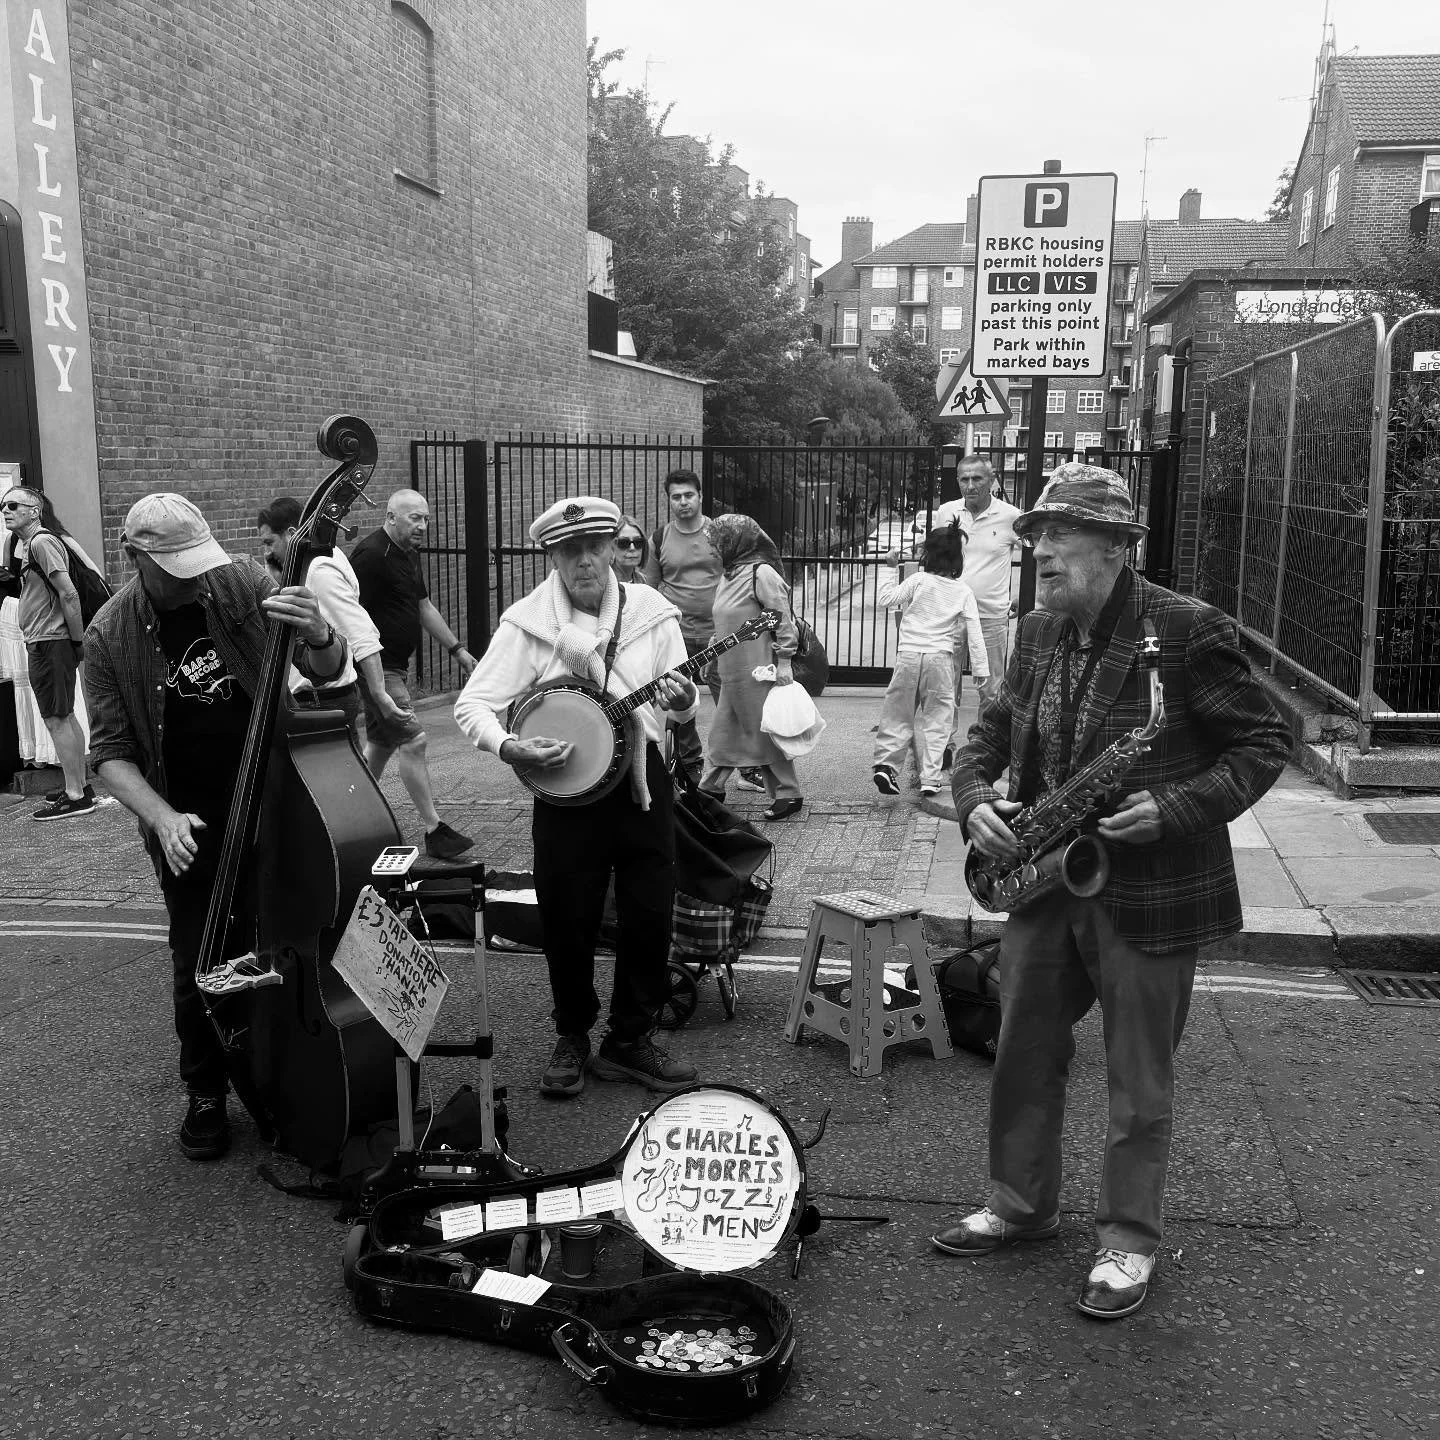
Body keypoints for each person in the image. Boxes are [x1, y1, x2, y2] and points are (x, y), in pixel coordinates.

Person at [935, 462, 1291, 1321]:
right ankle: (1021, 1207)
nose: (1041, 552)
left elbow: (1267, 738)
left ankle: (1129, 1240)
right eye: (1035, 539)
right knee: (1022, 1052)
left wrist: (1174, 808)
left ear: (1114, 546)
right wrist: (976, 799)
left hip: (1151, 886)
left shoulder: (1189, 631)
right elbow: (985, 735)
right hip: (1047, 880)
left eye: (1058, 537)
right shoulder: (1035, 633)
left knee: (1138, 1076)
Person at [83, 493, 349, 1161]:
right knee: (198, 958)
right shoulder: (109, 635)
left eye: (198, 559)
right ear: (135, 557)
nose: (196, 577)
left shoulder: (243, 583)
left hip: (278, 800)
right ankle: (206, 1092)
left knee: (297, 940)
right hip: (187, 818)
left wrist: (317, 633)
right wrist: (161, 816)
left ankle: (299, 1067)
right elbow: (109, 757)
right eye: (175, 565)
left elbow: (324, 668)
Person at [454, 495, 699, 1099]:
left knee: (649, 913)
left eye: (595, 547)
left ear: (615, 547)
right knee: (568, 918)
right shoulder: (528, 622)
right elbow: (472, 705)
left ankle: (629, 1040)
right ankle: (572, 1035)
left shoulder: (651, 612)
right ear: (553, 557)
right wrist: (510, 746)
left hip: (645, 784)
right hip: (566, 793)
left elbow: (685, 702)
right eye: (570, 551)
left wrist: (683, 701)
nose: (584, 560)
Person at [349, 488, 475, 860]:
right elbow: (347, 611)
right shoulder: (371, 556)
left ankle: (352, 814)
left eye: (425, 518)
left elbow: (423, 606)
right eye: (414, 518)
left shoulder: (408, 554)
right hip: (377, 668)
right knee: (414, 740)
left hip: (395, 667)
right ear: (390, 517)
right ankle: (435, 829)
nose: (423, 525)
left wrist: (458, 650)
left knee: (382, 746)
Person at [256, 496, 403, 747]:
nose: (266, 552)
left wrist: (379, 693)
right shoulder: (305, 561)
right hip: (313, 696)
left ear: (292, 534)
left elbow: (359, 630)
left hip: (320, 700)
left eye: (270, 543)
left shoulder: (318, 569)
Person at [872, 522, 991, 800]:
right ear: (957, 560)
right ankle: (931, 778)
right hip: (940, 660)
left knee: (897, 713)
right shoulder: (963, 591)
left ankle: (887, 767)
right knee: (938, 719)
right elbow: (974, 631)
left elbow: (886, 599)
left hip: (909, 657)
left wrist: (890, 568)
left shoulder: (918, 581)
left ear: (928, 556)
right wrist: (981, 669)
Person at [697, 514, 803, 821]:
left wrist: (784, 662)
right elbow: (728, 621)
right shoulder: (729, 574)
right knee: (723, 732)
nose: (712, 549)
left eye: (716, 542)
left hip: (758, 672)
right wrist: (712, 653)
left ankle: (788, 792)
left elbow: (782, 620)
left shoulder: (761, 573)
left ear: (735, 541)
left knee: (764, 733)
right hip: (731, 671)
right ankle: (711, 788)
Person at [1, 486, 95, 819]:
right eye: (3, 506)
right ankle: (80, 785)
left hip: (50, 641)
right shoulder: (28, 546)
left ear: (35, 510)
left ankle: (75, 795)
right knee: (65, 714)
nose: (6, 510)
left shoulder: (41, 542)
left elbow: (68, 594)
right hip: (49, 641)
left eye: (14, 505)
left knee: (56, 718)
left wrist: (76, 639)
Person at [927, 457, 1020, 765]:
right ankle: (944, 749)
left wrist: (1019, 592)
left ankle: (983, 750)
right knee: (944, 686)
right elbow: (937, 560)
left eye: (977, 479)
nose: (970, 485)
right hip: (951, 616)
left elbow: (1034, 554)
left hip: (991, 617)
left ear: (991, 480)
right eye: (964, 479)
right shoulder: (947, 513)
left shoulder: (1010, 516)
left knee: (992, 689)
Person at [641, 468, 720, 778]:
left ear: (700, 497)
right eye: (676, 497)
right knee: (679, 702)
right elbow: (649, 590)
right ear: (669, 501)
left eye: (689, 495)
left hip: (719, 635)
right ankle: (689, 765)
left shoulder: (720, 533)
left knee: (731, 704)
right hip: (678, 635)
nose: (683, 502)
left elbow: (734, 579)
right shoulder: (659, 538)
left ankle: (743, 765)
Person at [611, 515, 649, 585]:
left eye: (638, 542)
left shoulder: (642, 580)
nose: (632, 548)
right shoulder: (604, 583)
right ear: (612, 546)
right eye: (624, 543)